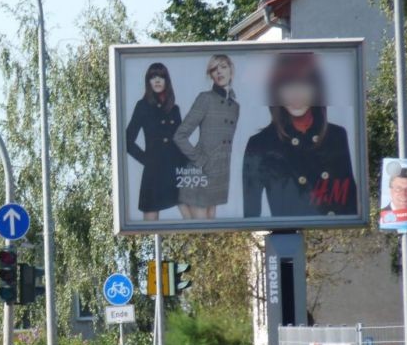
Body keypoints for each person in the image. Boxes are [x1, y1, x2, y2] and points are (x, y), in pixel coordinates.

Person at [242, 52, 357, 217]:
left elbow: (351, 203)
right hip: (285, 231)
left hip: (333, 232)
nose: (296, 95)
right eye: (287, 87)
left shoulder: (336, 136)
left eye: (304, 85)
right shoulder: (260, 144)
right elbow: (250, 215)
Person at [173, 54, 239, 219]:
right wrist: (202, 161)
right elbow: (180, 135)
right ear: (210, 75)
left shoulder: (235, 106)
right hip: (199, 174)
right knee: (201, 229)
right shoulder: (205, 98)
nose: (219, 72)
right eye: (214, 69)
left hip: (219, 176)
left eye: (223, 67)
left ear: (231, 70)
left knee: (210, 230)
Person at [125, 62, 189, 220]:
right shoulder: (142, 106)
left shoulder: (174, 109)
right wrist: (147, 160)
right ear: (148, 81)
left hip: (176, 171)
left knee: (193, 220)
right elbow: (127, 140)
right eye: (153, 77)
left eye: (161, 76)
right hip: (154, 173)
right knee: (150, 224)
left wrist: (189, 166)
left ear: (167, 80)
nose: (157, 80)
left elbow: (181, 142)